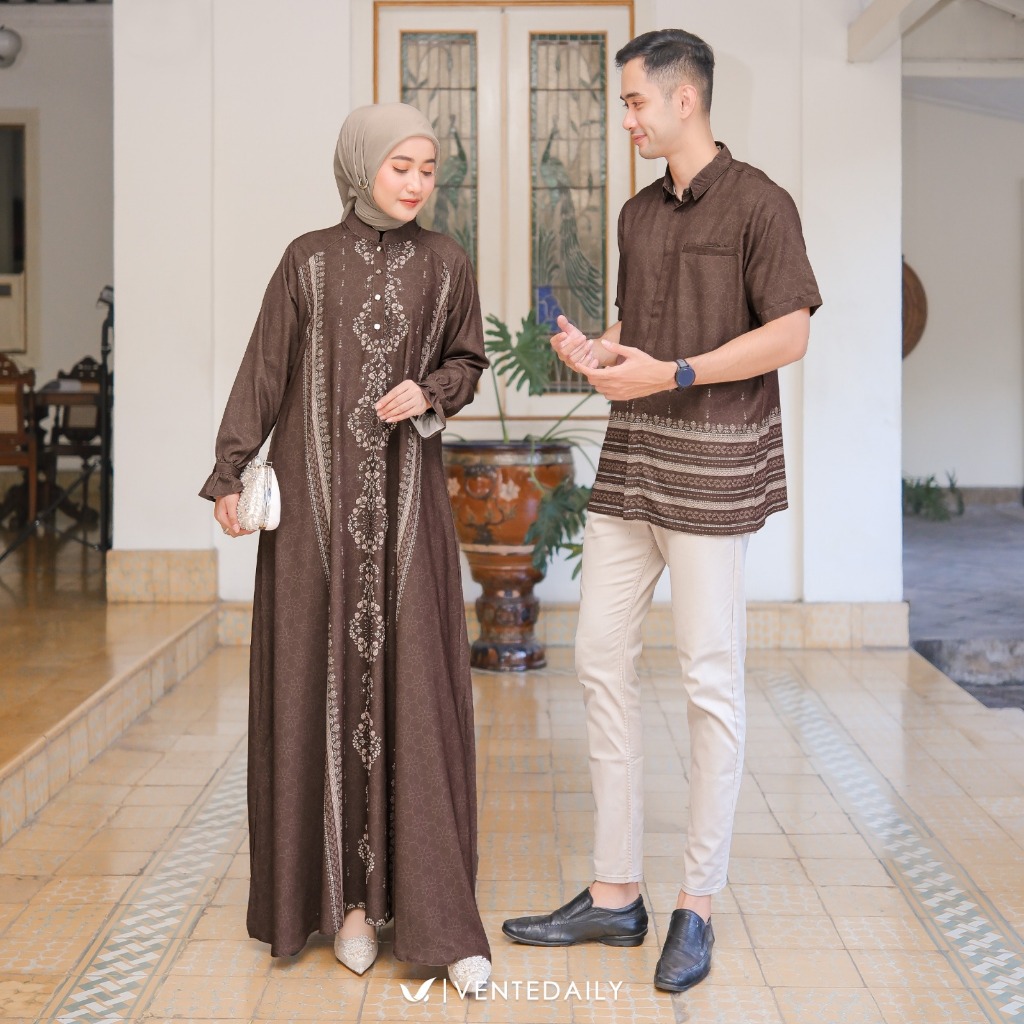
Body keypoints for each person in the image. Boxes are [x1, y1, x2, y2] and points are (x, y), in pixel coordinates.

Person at [501, 29, 821, 992]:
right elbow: (640, 331)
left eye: (635, 102)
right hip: (632, 468)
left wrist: (676, 372)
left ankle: (697, 905)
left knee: (708, 682)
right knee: (599, 659)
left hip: (713, 473)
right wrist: (601, 352)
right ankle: (615, 894)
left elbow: (790, 333)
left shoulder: (763, 203)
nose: (627, 120)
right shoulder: (638, 214)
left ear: (686, 99)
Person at [200, 103, 491, 994]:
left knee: (418, 692)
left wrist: (429, 390)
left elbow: (470, 363)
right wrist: (229, 470)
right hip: (317, 523)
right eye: (400, 166)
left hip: (407, 516)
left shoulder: (447, 262)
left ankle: (435, 914)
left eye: (428, 169)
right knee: (316, 689)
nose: (416, 183)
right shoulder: (308, 261)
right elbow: (265, 368)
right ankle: (349, 907)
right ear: (361, 166)